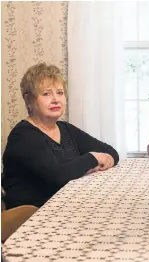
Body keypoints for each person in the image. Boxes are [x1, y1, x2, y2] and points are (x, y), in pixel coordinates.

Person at [2, 63, 119, 208]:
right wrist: (93, 158)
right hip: (30, 215)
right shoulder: (23, 136)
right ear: (29, 100)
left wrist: (91, 163)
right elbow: (59, 176)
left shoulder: (65, 129)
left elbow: (111, 152)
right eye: (46, 94)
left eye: (60, 93)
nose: (56, 99)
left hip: (67, 206)